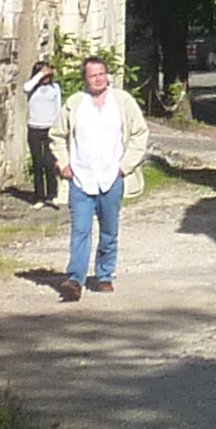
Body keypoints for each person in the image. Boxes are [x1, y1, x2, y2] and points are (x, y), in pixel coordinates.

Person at [51, 52, 140, 301]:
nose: (99, 79)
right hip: (81, 179)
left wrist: (125, 166)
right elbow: (56, 135)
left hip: (111, 177)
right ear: (86, 79)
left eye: (102, 74)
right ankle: (75, 280)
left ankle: (104, 275)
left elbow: (139, 134)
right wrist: (64, 163)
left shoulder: (122, 102)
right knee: (80, 230)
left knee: (109, 230)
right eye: (93, 75)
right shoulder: (75, 104)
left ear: (107, 76)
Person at [23, 58, 63, 205]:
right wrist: (39, 75)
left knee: (49, 162)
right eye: (43, 75)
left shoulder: (55, 89)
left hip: (49, 128)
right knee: (37, 163)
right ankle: (39, 196)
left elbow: (58, 109)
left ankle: (52, 195)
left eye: (47, 75)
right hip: (34, 128)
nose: (46, 78)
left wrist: (58, 128)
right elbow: (26, 87)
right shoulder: (32, 88)